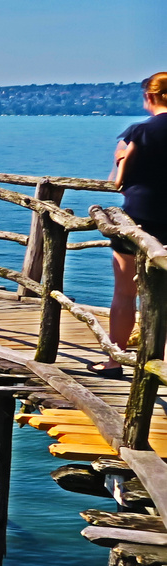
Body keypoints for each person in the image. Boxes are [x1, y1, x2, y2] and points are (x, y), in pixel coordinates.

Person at [100, 72, 167, 376]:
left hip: (141, 217)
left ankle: (115, 361)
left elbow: (119, 183)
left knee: (125, 293)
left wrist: (119, 158)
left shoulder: (139, 133)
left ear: (150, 97)